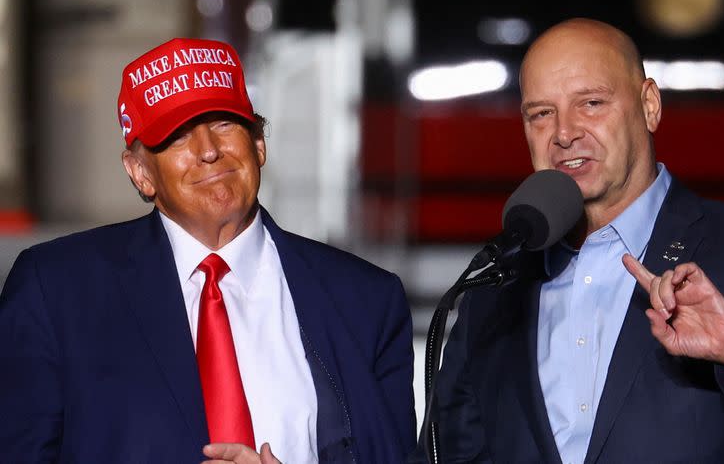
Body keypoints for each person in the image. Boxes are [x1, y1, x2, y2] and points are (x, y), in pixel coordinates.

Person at [0, 38, 415, 464]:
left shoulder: (365, 301)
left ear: (258, 145)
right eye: (178, 137)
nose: (208, 151)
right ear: (141, 172)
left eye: (223, 124)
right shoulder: (56, 292)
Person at [416, 18, 724, 463]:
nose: (564, 133)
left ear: (650, 106)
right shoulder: (493, 293)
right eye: (541, 113)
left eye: (591, 103)